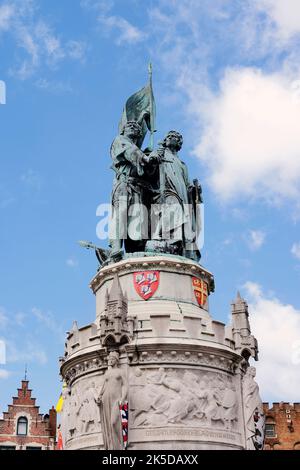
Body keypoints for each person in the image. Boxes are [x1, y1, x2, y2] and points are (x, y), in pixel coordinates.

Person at [146, 131, 201, 260]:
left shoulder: (182, 165)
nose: (171, 138)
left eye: (175, 137)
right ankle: (168, 240)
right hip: (165, 189)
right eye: (169, 136)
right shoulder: (161, 152)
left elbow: (187, 184)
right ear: (165, 140)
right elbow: (149, 165)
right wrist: (153, 159)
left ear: (179, 143)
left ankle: (176, 244)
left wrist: (195, 190)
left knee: (182, 216)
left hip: (181, 194)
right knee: (172, 208)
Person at [109, 121, 156, 259]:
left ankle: (134, 250)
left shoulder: (139, 150)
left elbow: (148, 172)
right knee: (121, 214)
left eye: (136, 127)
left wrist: (153, 160)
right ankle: (116, 247)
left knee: (137, 221)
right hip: (124, 184)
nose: (134, 128)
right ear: (123, 130)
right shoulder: (120, 140)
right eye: (130, 126)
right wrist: (146, 158)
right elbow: (130, 151)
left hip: (138, 187)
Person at [97, 351, 128, 450]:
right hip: (106, 399)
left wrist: (123, 398)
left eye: (112, 359)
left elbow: (125, 385)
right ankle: (112, 446)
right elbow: (104, 386)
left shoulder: (120, 371)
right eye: (109, 359)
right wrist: (99, 396)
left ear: (116, 360)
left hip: (116, 400)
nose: (110, 360)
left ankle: (121, 443)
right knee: (108, 425)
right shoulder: (107, 373)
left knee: (114, 422)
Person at [243, 366, 265, 450]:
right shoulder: (247, 382)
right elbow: (246, 395)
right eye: (253, 370)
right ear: (248, 371)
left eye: (255, 370)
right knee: (256, 426)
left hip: (257, 406)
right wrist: (248, 405)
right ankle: (253, 443)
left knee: (260, 426)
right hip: (253, 407)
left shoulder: (252, 382)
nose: (254, 371)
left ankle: (256, 444)